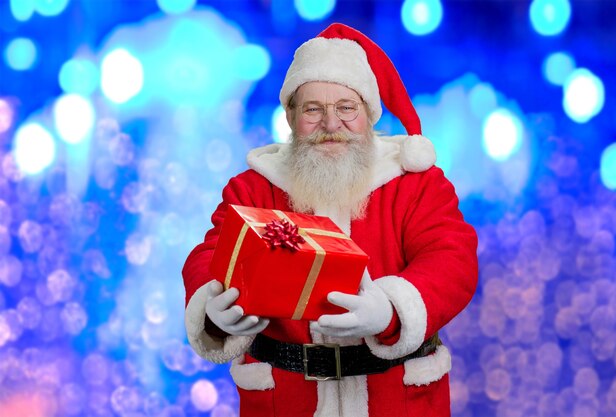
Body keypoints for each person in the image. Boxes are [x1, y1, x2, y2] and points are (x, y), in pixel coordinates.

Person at [183, 23, 478, 417]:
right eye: (313, 109)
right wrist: (212, 307)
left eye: (346, 108)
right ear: (290, 117)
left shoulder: (416, 184)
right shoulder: (253, 188)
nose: (331, 124)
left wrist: (390, 308)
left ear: (369, 114)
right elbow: (211, 253)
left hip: (398, 401)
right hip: (284, 401)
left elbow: (452, 259)